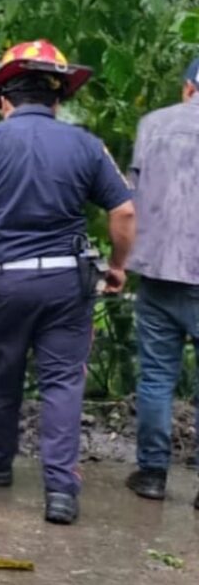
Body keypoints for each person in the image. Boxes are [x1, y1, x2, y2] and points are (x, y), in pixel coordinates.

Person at [0, 40, 135, 524]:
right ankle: (61, 491)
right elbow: (125, 212)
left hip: (2, 283)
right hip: (67, 284)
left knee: (0, 376)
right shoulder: (87, 146)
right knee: (62, 382)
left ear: (5, 99)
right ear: (56, 100)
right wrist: (118, 265)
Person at [124, 58, 199, 506]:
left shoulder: (152, 125)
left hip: (157, 273)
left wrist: (122, 260)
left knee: (155, 377)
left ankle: (152, 474)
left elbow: (130, 198)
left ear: (189, 87)